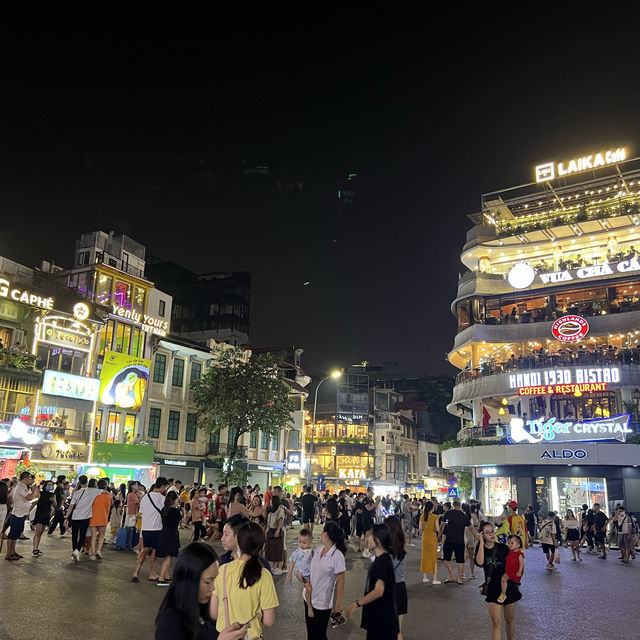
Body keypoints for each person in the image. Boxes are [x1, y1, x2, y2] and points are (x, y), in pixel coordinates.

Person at [155, 541, 248, 640]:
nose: (213, 588)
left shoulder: (202, 608)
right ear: (190, 580)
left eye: (215, 580)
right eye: (208, 582)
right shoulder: (170, 623)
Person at [210, 522, 279, 639]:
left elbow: (214, 613)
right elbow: (268, 621)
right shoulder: (264, 575)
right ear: (260, 545)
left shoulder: (223, 570)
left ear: (239, 543)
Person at [346, 523, 399, 640]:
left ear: (378, 540)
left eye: (370, 535)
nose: (367, 538)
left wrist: (357, 603)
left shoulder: (383, 562)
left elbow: (379, 590)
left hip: (382, 621)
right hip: (380, 619)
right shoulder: (381, 559)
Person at [474, 521, 521, 640]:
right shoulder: (481, 550)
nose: (491, 534)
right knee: (496, 623)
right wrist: (480, 542)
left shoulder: (503, 548)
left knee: (509, 620)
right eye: (487, 532)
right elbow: (479, 563)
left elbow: (514, 563)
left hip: (508, 587)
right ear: (482, 535)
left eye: (492, 531)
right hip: (493, 589)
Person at [304, 521, 346, 640]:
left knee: (319, 635)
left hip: (322, 603)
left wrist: (338, 603)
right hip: (308, 599)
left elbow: (341, 580)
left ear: (326, 534)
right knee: (311, 633)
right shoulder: (318, 550)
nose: (320, 533)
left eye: (322, 531)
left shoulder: (337, 556)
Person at [132, 477, 168, 582]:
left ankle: (136, 572)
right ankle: (152, 573)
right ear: (162, 486)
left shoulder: (145, 497)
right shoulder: (162, 499)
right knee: (154, 552)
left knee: (145, 550)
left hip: (146, 528)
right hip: (157, 528)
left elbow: (141, 513)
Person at [64, 474, 100, 562]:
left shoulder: (76, 493)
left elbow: (71, 507)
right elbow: (104, 491)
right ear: (87, 481)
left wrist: (66, 517)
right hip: (85, 517)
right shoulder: (93, 491)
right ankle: (77, 551)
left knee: (74, 535)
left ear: (79, 482)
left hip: (75, 517)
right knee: (82, 535)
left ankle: (74, 550)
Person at [383, 516, 407, 640]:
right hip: (400, 587)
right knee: (397, 630)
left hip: (389, 589)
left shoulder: (389, 550)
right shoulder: (401, 546)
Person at [5, 472, 39, 560]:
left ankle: (13, 552)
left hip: (21, 514)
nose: (32, 481)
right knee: (12, 534)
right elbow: (29, 497)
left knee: (16, 534)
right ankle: (9, 553)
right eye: (31, 479)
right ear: (26, 478)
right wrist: (35, 489)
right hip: (17, 514)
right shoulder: (20, 487)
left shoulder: (23, 487)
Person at [441, 499, 474, 584]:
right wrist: (477, 536)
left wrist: (439, 535)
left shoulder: (448, 514)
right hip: (460, 541)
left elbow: (442, 525)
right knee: (460, 560)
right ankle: (459, 579)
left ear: (453, 505)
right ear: (459, 506)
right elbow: (471, 528)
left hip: (449, 540)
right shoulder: (464, 516)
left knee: (447, 559)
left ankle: (451, 575)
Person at [157, 490, 182, 585]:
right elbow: (180, 520)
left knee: (168, 556)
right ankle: (161, 578)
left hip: (164, 533)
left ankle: (167, 576)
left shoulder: (164, 509)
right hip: (172, 534)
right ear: (174, 500)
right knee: (168, 556)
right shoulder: (176, 511)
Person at [89, 479, 112, 560]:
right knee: (101, 535)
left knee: (93, 536)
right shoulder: (108, 496)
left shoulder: (94, 495)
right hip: (104, 517)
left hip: (93, 517)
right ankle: (98, 550)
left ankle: (92, 554)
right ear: (106, 486)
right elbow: (109, 507)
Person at [497, 535, 524, 604]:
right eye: (509, 543)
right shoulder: (510, 552)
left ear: (518, 545)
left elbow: (521, 564)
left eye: (512, 543)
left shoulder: (519, 554)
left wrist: (519, 571)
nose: (510, 545)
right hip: (509, 571)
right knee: (503, 579)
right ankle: (503, 594)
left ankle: (505, 594)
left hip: (515, 571)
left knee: (508, 581)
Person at [32, 480, 56, 556]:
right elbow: (34, 502)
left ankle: (36, 548)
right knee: (38, 532)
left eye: (52, 485)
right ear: (45, 485)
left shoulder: (52, 495)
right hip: (39, 514)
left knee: (41, 532)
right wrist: (28, 511)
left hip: (46, 515)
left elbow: (55, 505)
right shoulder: (39, 493)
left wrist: (53, 501)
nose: (50, 486)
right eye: (49, 484)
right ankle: (35, 549)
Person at [419, 500, 441, 584]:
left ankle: (425, 577)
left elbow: (420, 528)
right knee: (433, 557)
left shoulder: (422, 516)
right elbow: (438, 529)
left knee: (425, 556)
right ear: (432, 508)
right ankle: (434, 578)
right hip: (432, 537)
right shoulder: (435, 517)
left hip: (425, 537)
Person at [264, 494, 286, 575]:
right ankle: (273, 567)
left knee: (278, 549)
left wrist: (277, 530)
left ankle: (278, 567)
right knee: (271, 549)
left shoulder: (280, 510)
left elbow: (280, 519)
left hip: (276, 531)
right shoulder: (271, 511)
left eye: (271, 500)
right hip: (270, 531)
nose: (269, 501)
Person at [462, 503, 479, 579]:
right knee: (471, 557)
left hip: (463, 537)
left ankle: (462, 574)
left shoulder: (461, 516)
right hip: (471, 537)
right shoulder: (473, 516)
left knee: (462, 557)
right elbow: (476, 524)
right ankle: (471, 574)